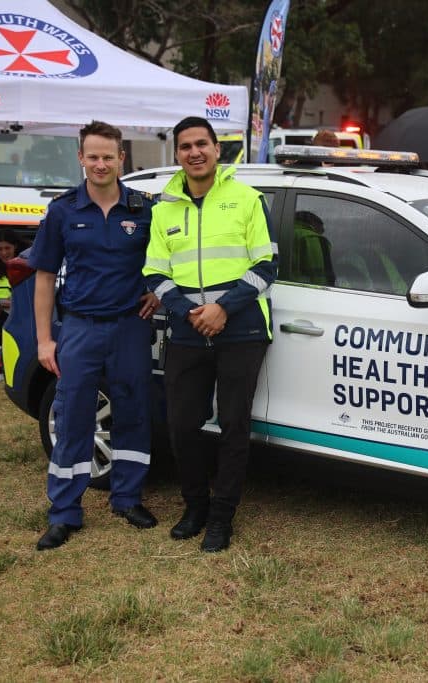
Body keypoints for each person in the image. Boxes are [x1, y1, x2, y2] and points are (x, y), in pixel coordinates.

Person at [143, 116, 277, 553]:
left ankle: (222, 517)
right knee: (182, 425)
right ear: (177, 154)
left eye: (202, 144)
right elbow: (155, 273)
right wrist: (189, 313)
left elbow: (266, 266)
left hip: (241, 329)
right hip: (187, 331)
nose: (194, 152)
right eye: (185, 146)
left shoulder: (246, 199)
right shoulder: (164, 209)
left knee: (234, 426)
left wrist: (223, 308)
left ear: (218, 149)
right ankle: (194, 506)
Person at [28, 121, 160, 551]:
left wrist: (156, 294)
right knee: (73, 419)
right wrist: (45, 340)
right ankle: (65, 513)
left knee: (134, 412)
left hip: (130, 327)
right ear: (81, 158)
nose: (101, 163)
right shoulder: (63, 211)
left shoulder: (144, 209)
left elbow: (165, 263)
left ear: (122, 158)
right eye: (93, 156)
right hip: (80, 328)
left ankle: (127, 498)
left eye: (109, 156)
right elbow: (45, 278)